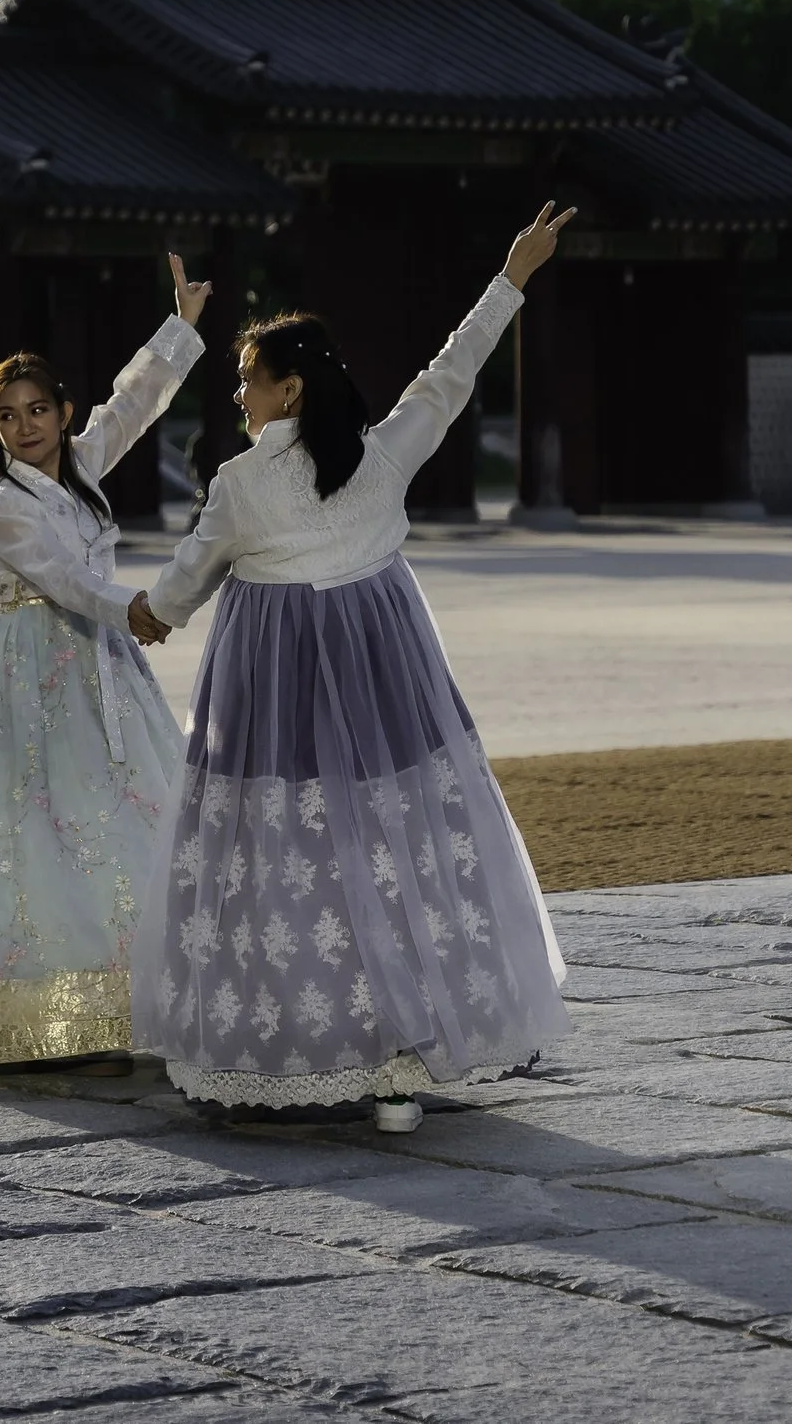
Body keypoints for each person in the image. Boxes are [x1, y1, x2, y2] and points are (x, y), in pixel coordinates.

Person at [129, 205, 578, 1133]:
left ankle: (297, 1041)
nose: (242, 395)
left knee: (283, 855)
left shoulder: (242, 484)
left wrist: (140, 615)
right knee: (389, 849)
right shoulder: (380, 457)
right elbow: (451, 377)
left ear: (290, 390)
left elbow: (182, 587)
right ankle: (402, 1053)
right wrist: (511, 277)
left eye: (250, 380)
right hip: (385, 678)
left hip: (275, 689)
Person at [0, 256, 211, 1073]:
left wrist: (183, 325)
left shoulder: (83, 468)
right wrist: (134, 609)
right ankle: (17, 1005)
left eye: (38, 409)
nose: (25, 426)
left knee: (113, 817)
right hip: (25, 673)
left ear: (62, 412)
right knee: (26, 827)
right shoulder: (1, 506)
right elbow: (67, 581)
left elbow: (132, 405)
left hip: (100, 666)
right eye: (8, 416)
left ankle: (116, 996)